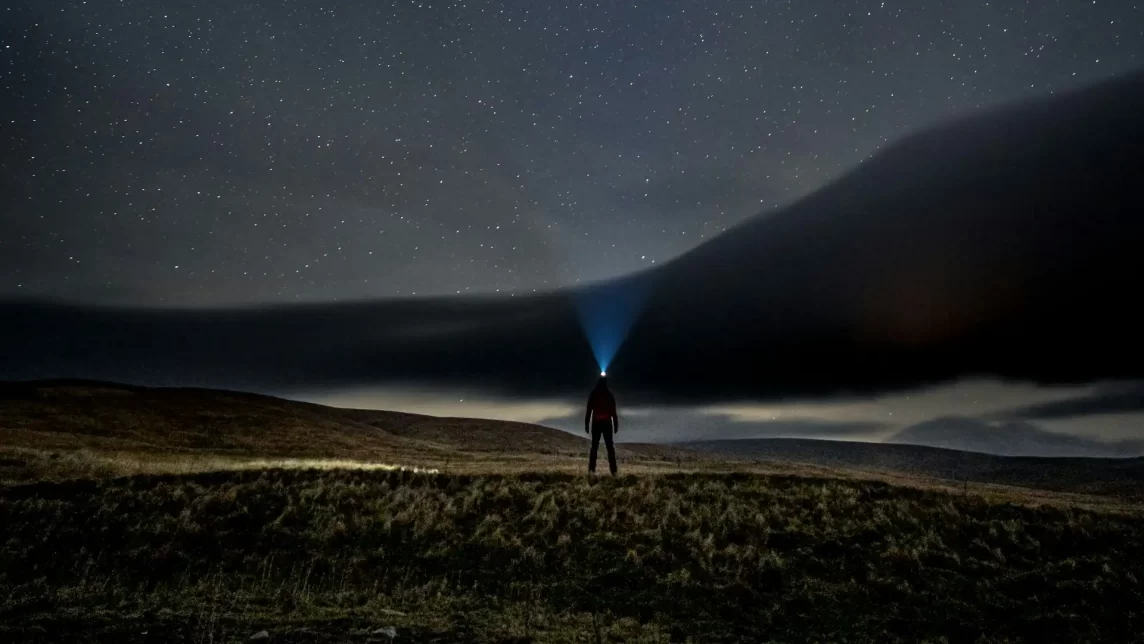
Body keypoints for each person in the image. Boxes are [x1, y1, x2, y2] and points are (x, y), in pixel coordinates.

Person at [584, 374, 618, 475]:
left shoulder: (594, 393)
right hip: (607, 423)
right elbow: (613, 411)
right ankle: (614, 471)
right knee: (609, 448)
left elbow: (589, 409)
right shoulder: (609, 394)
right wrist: (615, 424)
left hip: (596, 423)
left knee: (595, 447)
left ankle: (591, 470)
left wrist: (586, 423)